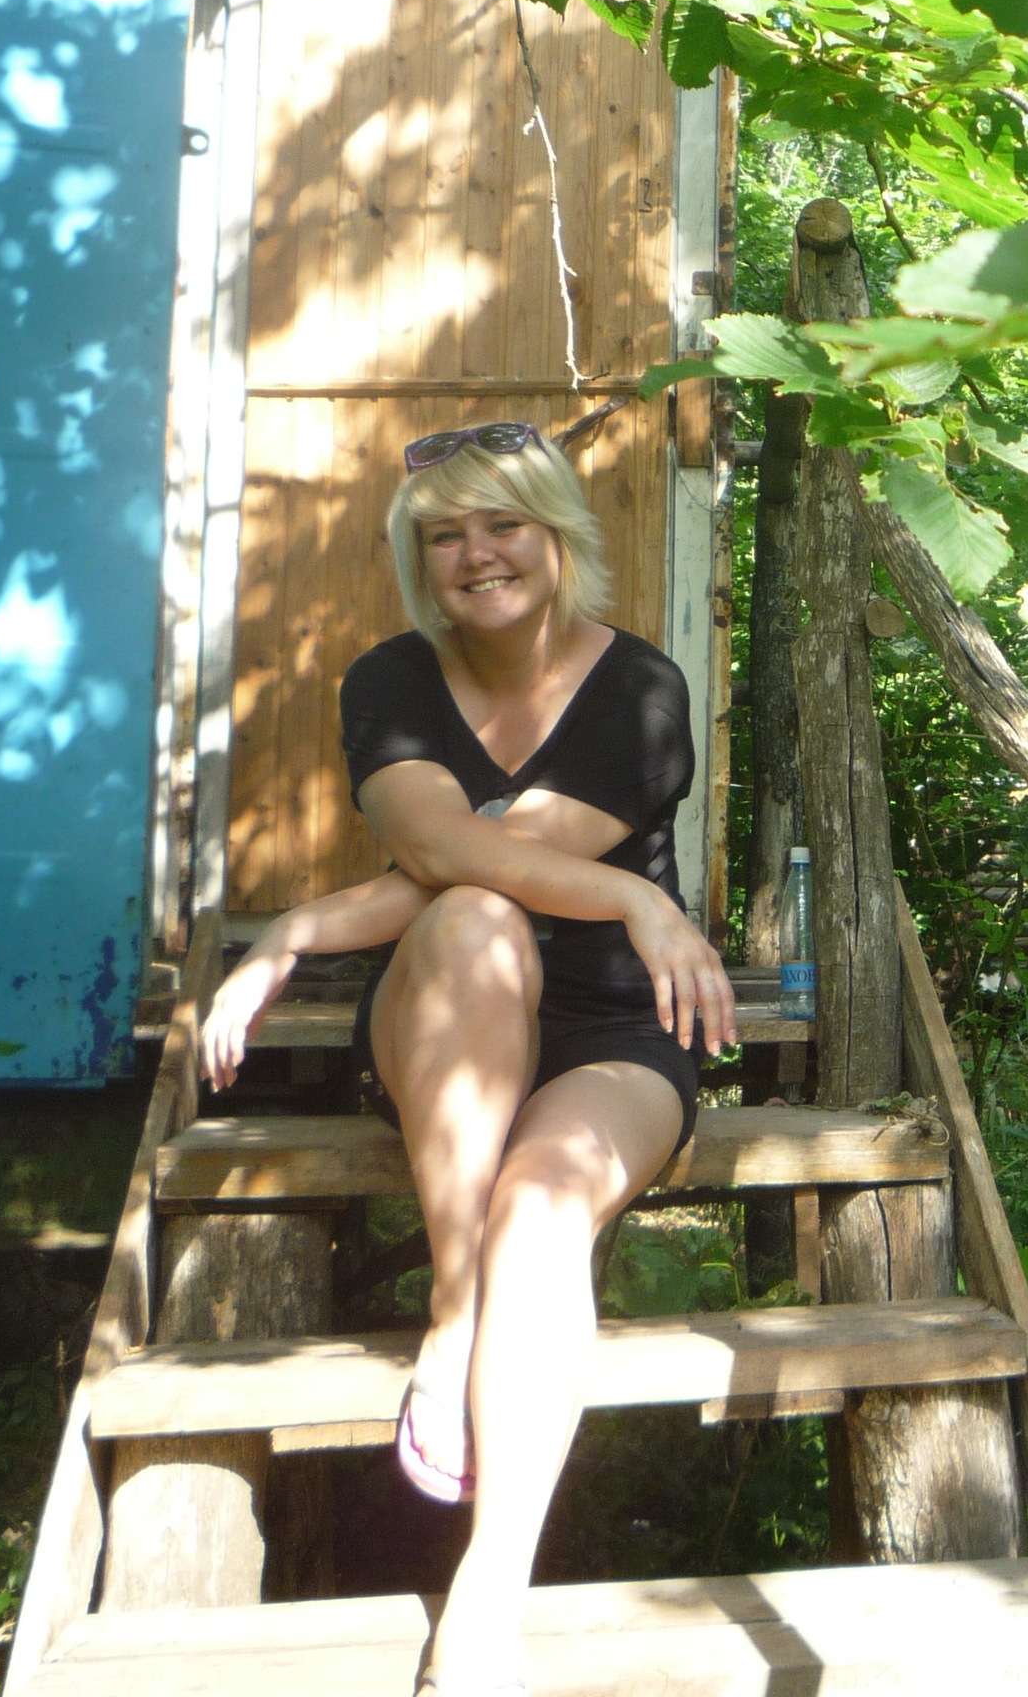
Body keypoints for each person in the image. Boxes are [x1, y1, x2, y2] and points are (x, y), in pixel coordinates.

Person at [200, 420, 736, 1697]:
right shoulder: (389, 679)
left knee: (541, 1207)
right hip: (448, 1008)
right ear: (416, 555)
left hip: (613, 1030)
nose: (476, 553)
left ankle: (487, 1595)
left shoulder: (641, 687)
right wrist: (636, 893)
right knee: (477, 917)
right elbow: (445, 857)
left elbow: (496, 845)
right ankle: (453, 1304)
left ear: (557, 536)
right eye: (444, 534)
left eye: (503, 524)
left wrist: (297, 928)